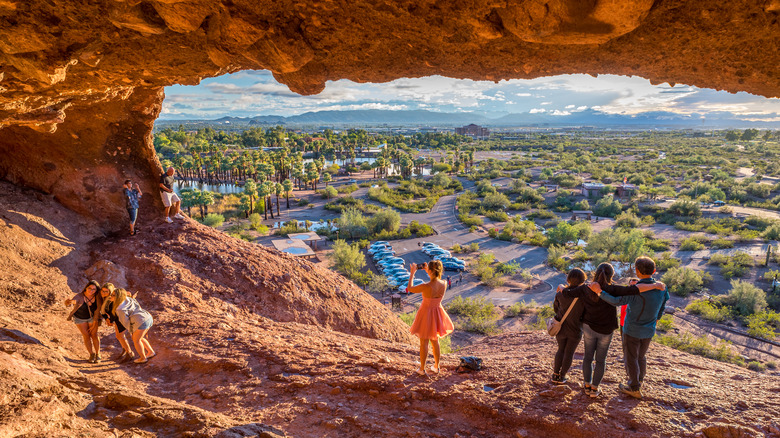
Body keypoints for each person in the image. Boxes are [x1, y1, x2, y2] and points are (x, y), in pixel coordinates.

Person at [558, 263, 664, 398]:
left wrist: (561, 287)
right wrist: (654, 285)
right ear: (612, 275)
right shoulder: (613, 289)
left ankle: (587, 385)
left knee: (588, 357)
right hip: (606, 330)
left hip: (588, 327)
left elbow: (567, 293)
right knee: (601, 360)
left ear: (595, 273)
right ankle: (595, 389)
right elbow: (635, 290)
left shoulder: (586, 288)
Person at [593, 257, 670, 400]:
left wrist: (600, 292)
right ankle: (638, 381)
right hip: (649, 329)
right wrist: (656, 320)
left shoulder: (636, 291)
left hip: (632, 329)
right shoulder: (662, 288)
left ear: (637, 271)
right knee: (641, 356)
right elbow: (663, 305)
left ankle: (634, 387)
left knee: (631, 358)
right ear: (653, 271)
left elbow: (616, 301)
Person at [407, 261, 454, 376]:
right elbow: (435, 279)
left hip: (426, 313)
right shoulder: (444, 283)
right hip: (437, 312)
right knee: (435, 340)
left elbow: (410, 288)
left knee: (424, 341)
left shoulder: (425, 286)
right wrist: (428, 269)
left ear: (432, 271)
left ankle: (422, 369)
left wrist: (412, 273)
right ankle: (437, 367)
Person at [551, 268, 586, 385]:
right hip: (575, 329)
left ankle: (555, 374)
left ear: (568, 279)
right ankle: (562, 376)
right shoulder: (584, 296)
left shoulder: (560, 294)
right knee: (569, 352)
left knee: (561, 349)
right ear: (582, 280)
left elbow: (556, 309)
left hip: (561, 327)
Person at [113, 288, 156, 364]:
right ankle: (150, 352)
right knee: (140, 337)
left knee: (136, 340)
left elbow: (125, 323)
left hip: (140, 321)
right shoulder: (127, 298)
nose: (110, 296)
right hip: (147, 317)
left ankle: (143, 358)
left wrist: (131, 331)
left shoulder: (119, 309)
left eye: (113, 295)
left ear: (118, 297)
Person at [65, 280, 104, 363]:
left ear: (96, 290)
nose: (91, 291)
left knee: (94, 335)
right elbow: (74, 301)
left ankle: (98, 354)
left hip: (93, 318)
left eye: (94, 289)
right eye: (89, 288)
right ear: (86, 288)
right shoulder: (79, 296)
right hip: (80, 318)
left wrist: (94, 323)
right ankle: (91, 354)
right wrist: (69, 302)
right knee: (86, 335)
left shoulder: (97, 297)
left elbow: (97, 311)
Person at [99, 283, 135, 362]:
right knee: (118, 336)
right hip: (117, 319)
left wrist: (110, 320)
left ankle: (129, 353)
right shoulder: (106, 298)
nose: (103, 293)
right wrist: (107, 319)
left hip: (120, 319)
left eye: (106, 291)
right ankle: (125, 350)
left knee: (120, 336)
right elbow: (104, 311)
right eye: (102, 291)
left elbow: (113, 312)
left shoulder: (112, 299)